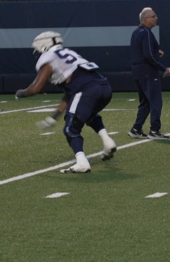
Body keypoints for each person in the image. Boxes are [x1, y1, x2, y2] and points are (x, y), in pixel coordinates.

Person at [15, 32, 117, 173]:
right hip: (104, 88)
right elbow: (70, 93)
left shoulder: (48, 57)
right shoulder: (68, 53)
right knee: (86, 115)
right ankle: (107, 141)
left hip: (86, 91)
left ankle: (82, 162)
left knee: (71, 128)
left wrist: (20, 93)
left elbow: (35, 88)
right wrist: (53, 117)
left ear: (43, 46)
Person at [129, 7, 170, 140]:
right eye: (153, 16)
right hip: (148, 73)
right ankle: (154, 131)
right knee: (155, 102)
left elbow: (142, 51)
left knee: (145, 103)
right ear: (146, 19)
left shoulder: (137, 32)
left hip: (138, 72)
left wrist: (156, 51)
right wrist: (162, 68)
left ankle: (136, 129)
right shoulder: (147, 33)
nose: (156, 18)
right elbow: (148, 56)